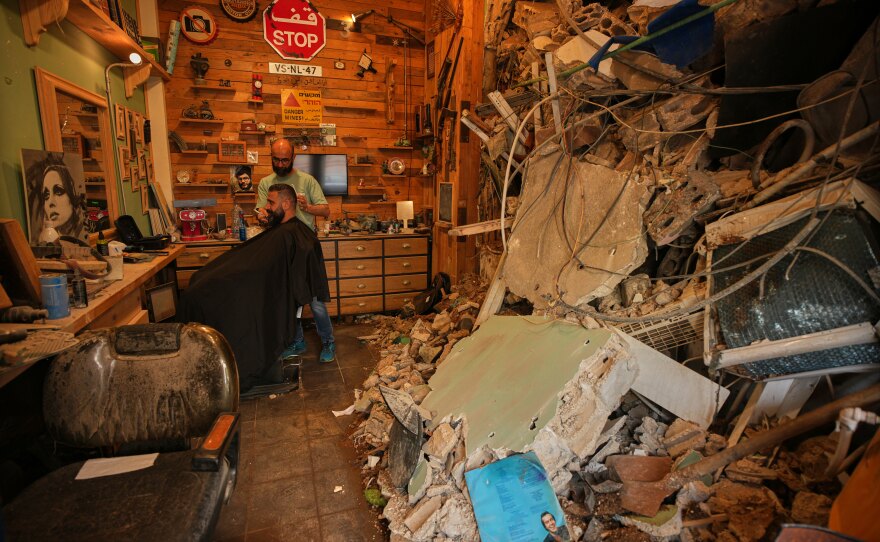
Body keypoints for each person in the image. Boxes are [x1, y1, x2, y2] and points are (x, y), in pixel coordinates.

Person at [178, 183, 331, 394]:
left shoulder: (294, 234)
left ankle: (327, 342)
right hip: (255, 279)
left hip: (255, 283)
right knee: (201, 279)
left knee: (200, 293)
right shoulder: (283, 231)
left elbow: (268, 269)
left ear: (286, 204)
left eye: (271, 202)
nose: (267, 207)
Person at [256, 138, 336, 363]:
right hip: (280, 247)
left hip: (305, 247)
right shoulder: (266, 183)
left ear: (293, 158)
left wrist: (307, 207)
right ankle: (297, 341)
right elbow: (263, 210)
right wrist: (262, 216)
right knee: (290, 300)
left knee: (316, 301)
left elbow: (326, 210)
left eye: (284, 160)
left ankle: (328, 341)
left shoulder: (307, 181)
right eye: (276, 159)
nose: (280, 164)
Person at [24, 152, 87, 243]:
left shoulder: (82, 235)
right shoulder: (44, 240)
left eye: (58, 192)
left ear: (73, 195)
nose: (50, 202)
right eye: (46, 195)